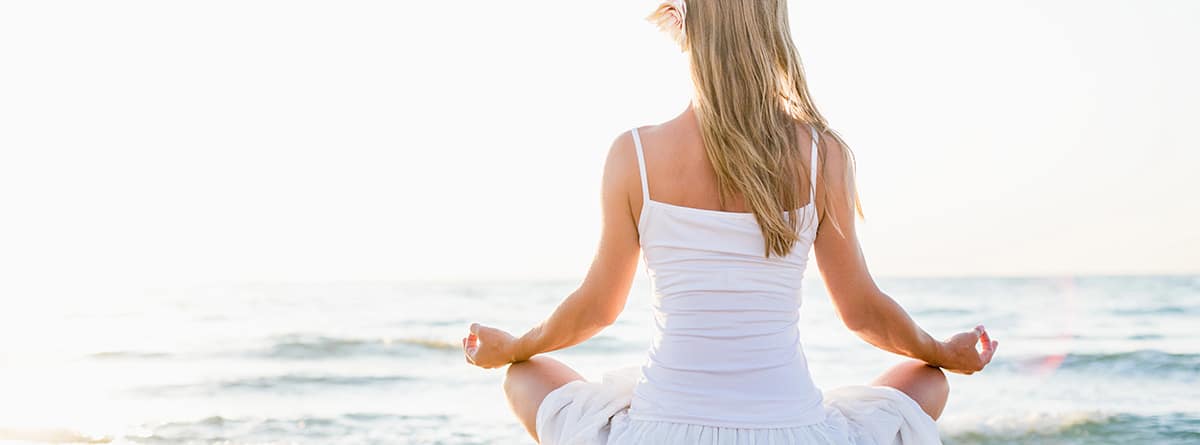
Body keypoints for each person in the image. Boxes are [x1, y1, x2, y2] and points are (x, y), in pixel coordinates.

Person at [462, 1, 998, 443]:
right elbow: (861, 314)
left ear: (683, 27)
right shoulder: (822, 154)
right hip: (791, 429)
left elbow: (596, 310)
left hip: (658, 430)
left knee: (526, 375)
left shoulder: (635, 155)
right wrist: (941, 353)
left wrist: (514, 347)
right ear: (774, 28)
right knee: (927, 382)